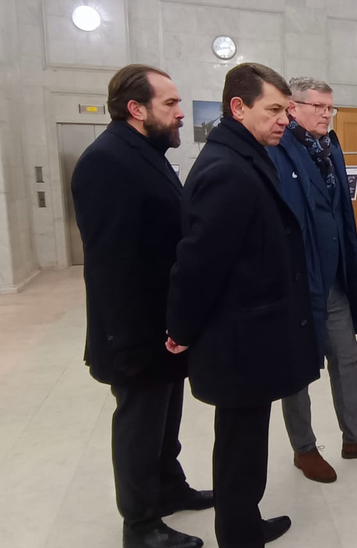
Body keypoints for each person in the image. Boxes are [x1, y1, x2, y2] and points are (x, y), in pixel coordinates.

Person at [165, 63, 319, 548]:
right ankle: (238, 535)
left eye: (286, 111)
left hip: (250, 334)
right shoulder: (229, 170)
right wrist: (180, 329)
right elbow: (199, 263)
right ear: (238, 107)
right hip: (239, 340)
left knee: (246, 442)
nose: (284, 120)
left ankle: (244, 524)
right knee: (239, 447)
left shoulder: (243, 156)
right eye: (273, 110)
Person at [71, 64, 212, 548]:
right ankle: (141, 526)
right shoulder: (107, 161)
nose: (180, 113)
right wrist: (126, 340)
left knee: (165, 420)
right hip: (135, 331)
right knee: (139, 427)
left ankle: (170, 487)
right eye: (170, 104)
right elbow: (110, 263)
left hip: (164, 324)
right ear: (136, 109)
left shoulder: (145, 154)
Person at [266, 77, 357, 483]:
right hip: (299, 281)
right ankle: (304, 448)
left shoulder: (330, 145)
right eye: (319, 107)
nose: (327, 114)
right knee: (298, 368)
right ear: (293, 108)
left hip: (335, 276)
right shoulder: (277, 149)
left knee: (346, 357)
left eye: (331, 107)